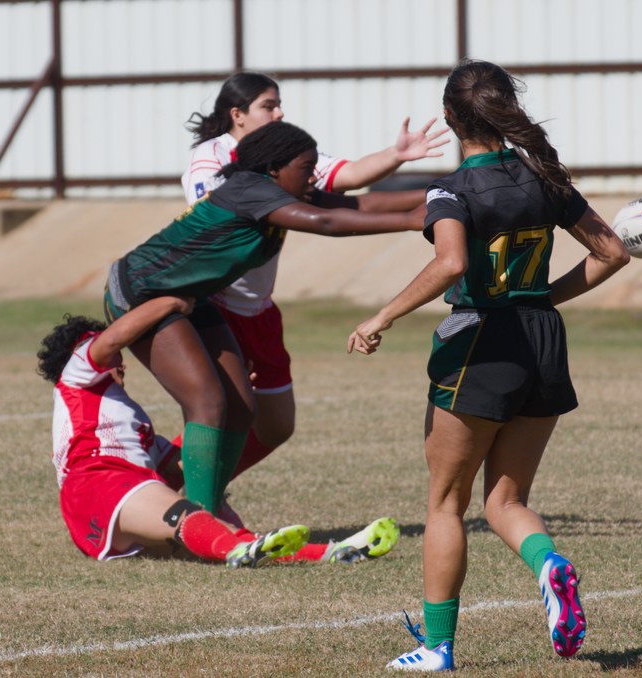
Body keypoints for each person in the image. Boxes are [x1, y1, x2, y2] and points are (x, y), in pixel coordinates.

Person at [348, 59, 631, 671]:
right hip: (543, 341)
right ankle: (550, 566)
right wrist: (542, 300)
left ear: (452, 117)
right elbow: (612, 251)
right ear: (506, 111)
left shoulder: (452, 189)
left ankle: (436, 648)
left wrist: (382, 316)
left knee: (446, 503)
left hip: (480, 341)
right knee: (506, 500)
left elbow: (450, 264)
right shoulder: (544, 178)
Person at [104, 121, 422, 552]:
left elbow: (358, 204)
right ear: (274, 167)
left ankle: (209, 514)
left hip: (189, 297)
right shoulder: (251, 190)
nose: (313, 176)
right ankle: (201, 528)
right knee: (207, 401)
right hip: (141, 291)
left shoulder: (280, 190)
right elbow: (327, 221)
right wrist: (410, 222)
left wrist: (440, 196)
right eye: (306, 167)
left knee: (239, 405)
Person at [181, 72, 448, 521]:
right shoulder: (208, 161)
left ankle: (193, 484)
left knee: (277, 424)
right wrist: (400, 217)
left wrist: (397, 155)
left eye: (279, 103)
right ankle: (196, 501)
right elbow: (297, 212)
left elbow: (343, 179)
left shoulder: (280, 154)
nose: (279, 111)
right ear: (238, 114)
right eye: (269, 105)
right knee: (228, 411)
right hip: (216, 305)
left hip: (260, 308)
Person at [37, 300, 400, 565]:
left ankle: (331, 553)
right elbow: (114, 339)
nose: (121, 362)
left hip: (111, 497)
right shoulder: (76, 376)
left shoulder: (119, 410)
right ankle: (244, 551)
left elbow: (178, 463)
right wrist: (170, 302)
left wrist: (229, 400)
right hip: (100, 482)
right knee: (190, 518)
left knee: (213, 533)